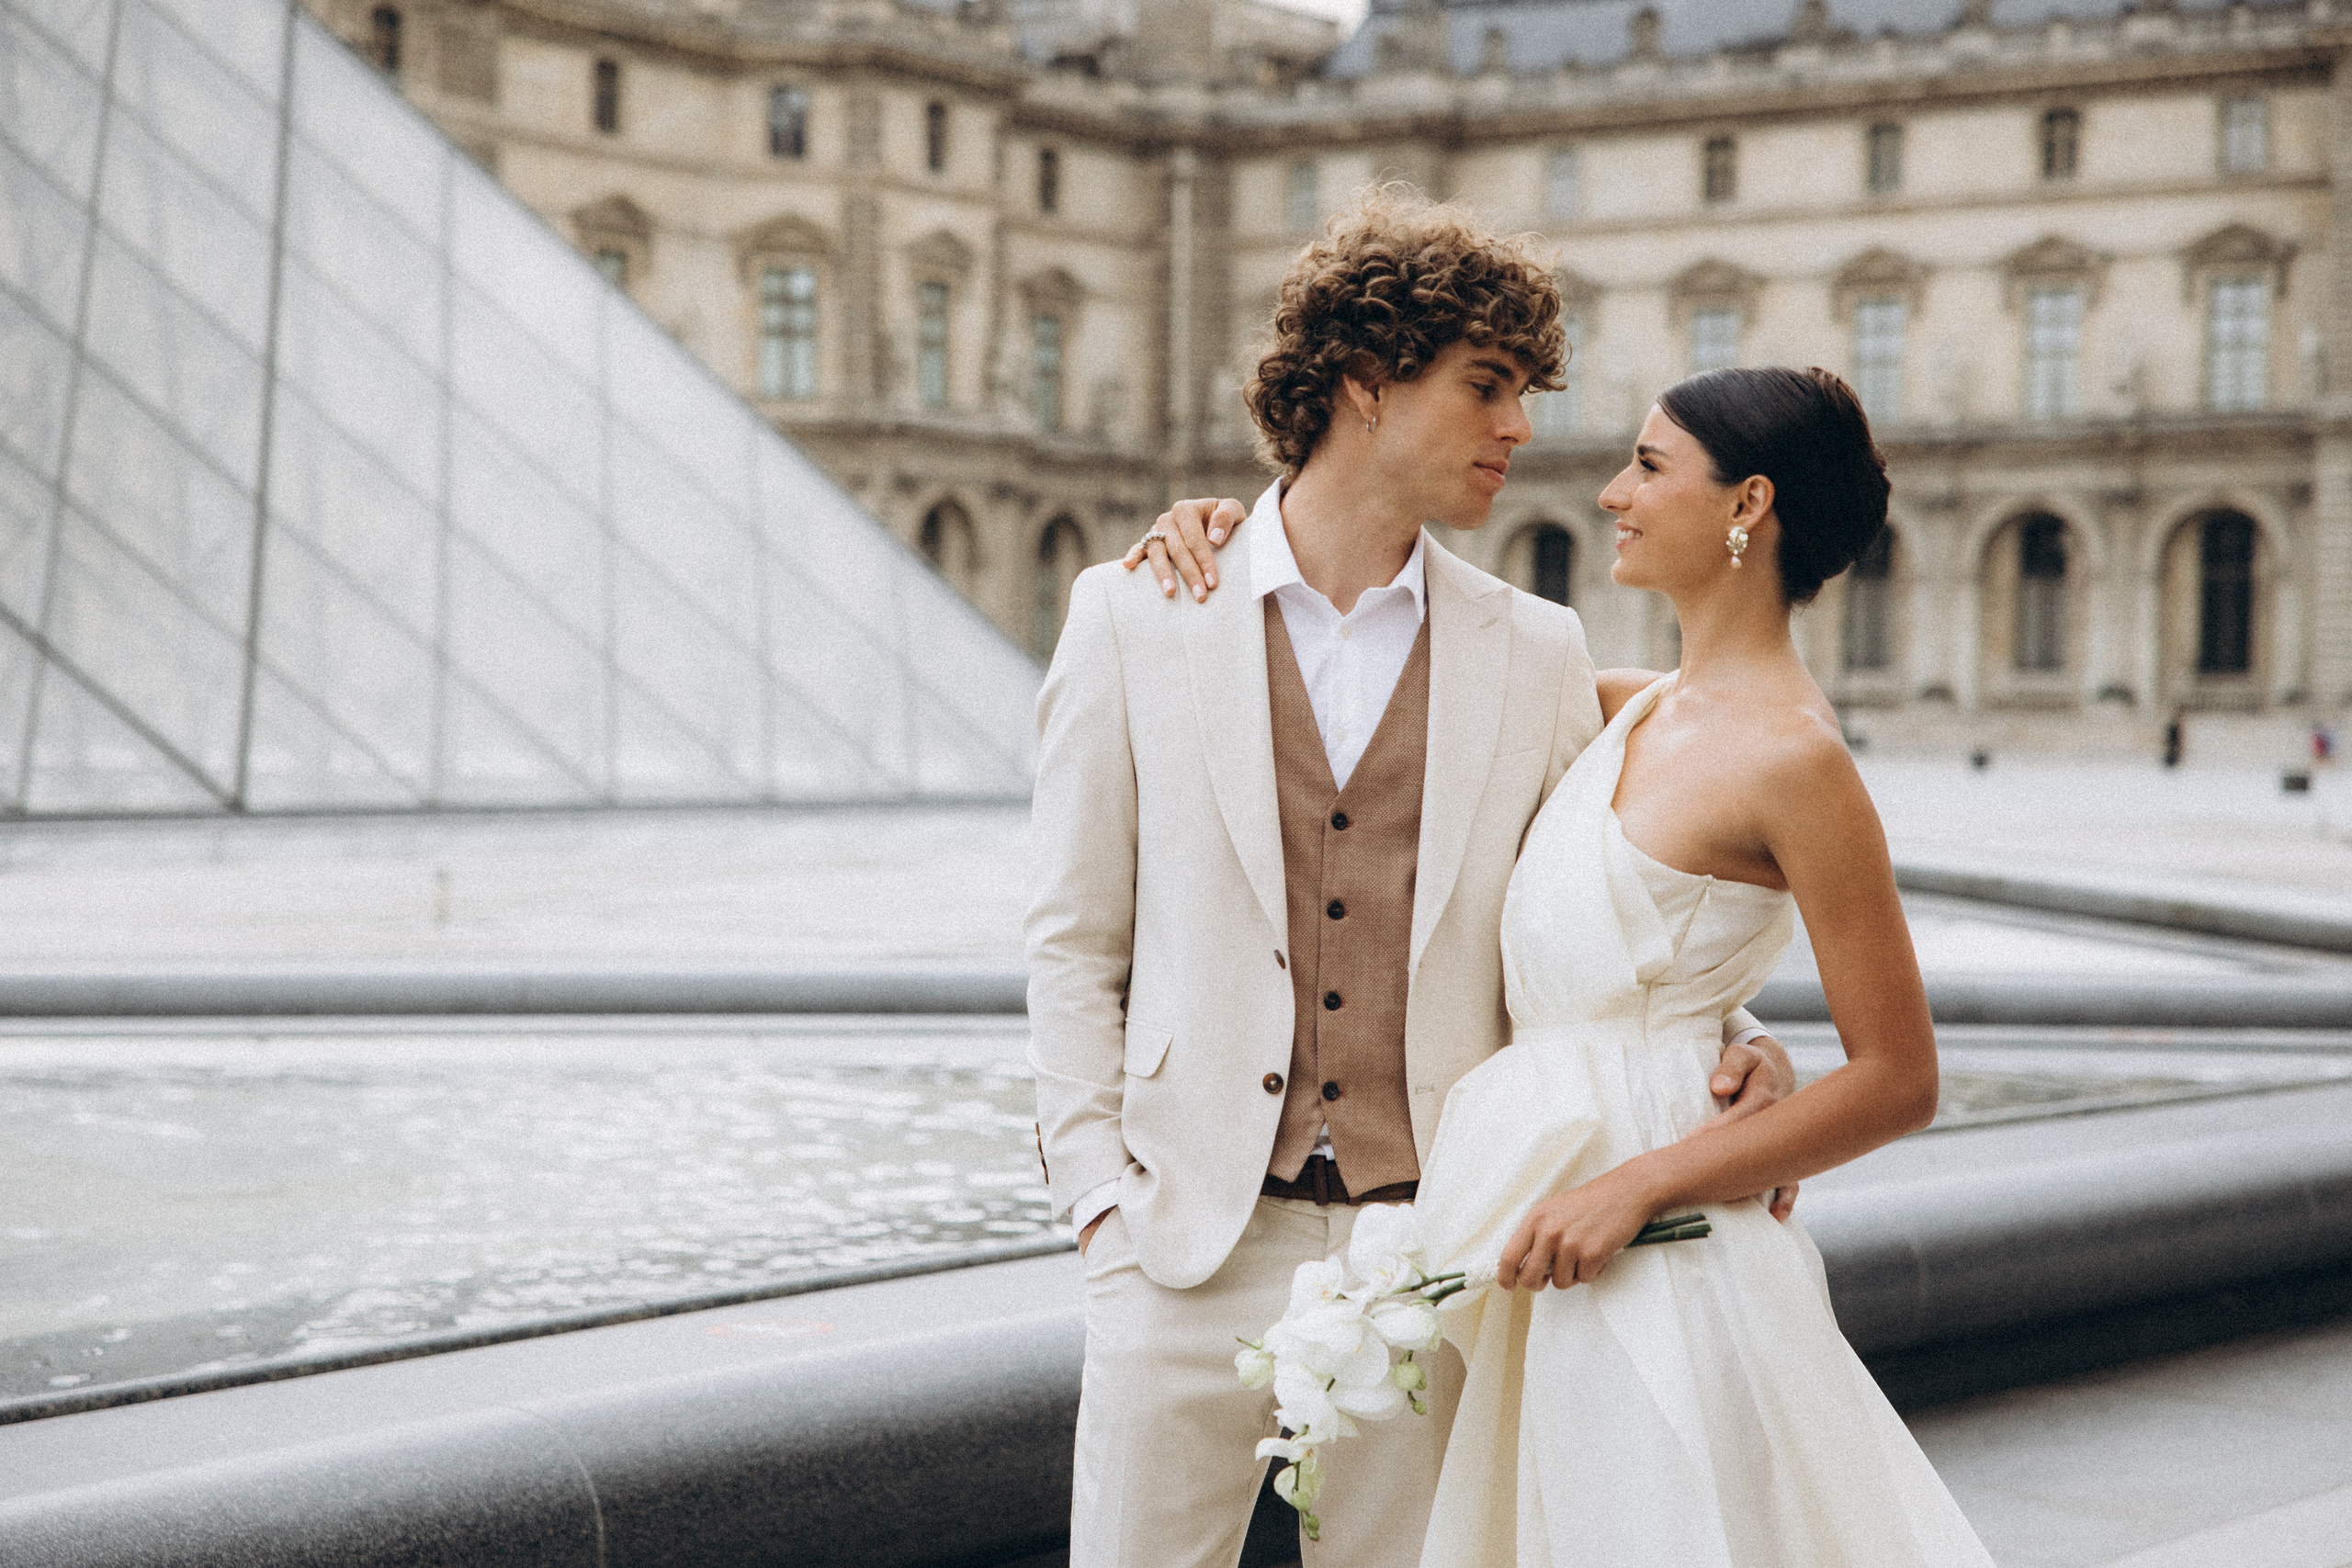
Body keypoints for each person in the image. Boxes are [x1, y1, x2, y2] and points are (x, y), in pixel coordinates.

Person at [1026, 189, 1794, 1568]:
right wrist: (1097, 1204)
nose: (1521, 430)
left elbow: (1585, 905)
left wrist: (1729, 1037)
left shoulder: (1537, 649)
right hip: (1179, 1245)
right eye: (1487, 386)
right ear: (1366, 382)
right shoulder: (1135, 612)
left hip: (1437, 1238)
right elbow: (1077, 942)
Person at [1148, 366, 1993, 1565]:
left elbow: (1900, 1076)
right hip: (1528, 1216)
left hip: (1653, 1247)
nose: (1610, 494)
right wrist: (1221, 532)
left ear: (1748, 503)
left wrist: (1642, 1184)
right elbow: (1636, 955)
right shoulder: (1618, 705)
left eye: (1648, 466)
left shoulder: (1798, 760)